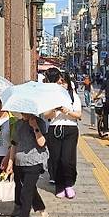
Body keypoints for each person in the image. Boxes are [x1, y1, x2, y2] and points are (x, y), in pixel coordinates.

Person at [1, 113, 50, 217]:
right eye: (22, 111)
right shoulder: (17, 124)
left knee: (26, 192)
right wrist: (10, 162)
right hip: (20, 162)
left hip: (35, 162)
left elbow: (42, 143)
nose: (23, 113)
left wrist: (35, 127)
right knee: (31, 189)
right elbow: (14, 145)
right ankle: (44, 212)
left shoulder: (40, 122)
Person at [44, 69, 82, 199]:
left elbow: (78, 115)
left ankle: (69, 184)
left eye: (64, 82)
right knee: (56, 159)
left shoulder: (73, 96)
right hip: (54, 129)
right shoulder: (51, 96)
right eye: (60, 82)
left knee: (67, 159)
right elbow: (46, 115)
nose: (62, 84)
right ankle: (59, 186)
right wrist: (54, 109)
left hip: (70, 129)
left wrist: (67, 111)